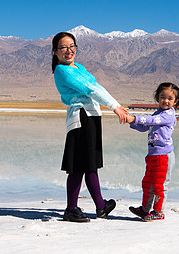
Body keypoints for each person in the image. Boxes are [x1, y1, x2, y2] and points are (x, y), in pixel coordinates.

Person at [52, 31, 129, 222]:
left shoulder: (79, 67)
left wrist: (115, 105)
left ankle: (101, 206)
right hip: (81, 119)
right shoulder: (62, 70)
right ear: (55, 51)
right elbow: (90, 89)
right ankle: (71, 209)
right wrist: (115, 106)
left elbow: (96, 85)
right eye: (63, 47)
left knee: (91, 165)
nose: (69, 51)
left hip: (92, 117)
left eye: (72, 46)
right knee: (78, 166)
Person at [126, 82, 179, 221]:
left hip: (163, 156)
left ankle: (158, 212)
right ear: (157, 97)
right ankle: (145, 209)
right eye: (163, 97)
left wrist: (135, 118)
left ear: (175, 102)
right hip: (152, 156)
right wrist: (131, 122)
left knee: (159, 185)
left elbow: (152, 120)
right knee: (147, 183)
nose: (166, 101)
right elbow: (146, 126)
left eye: (170, 98)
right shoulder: (158, 113)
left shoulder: (168, 115)